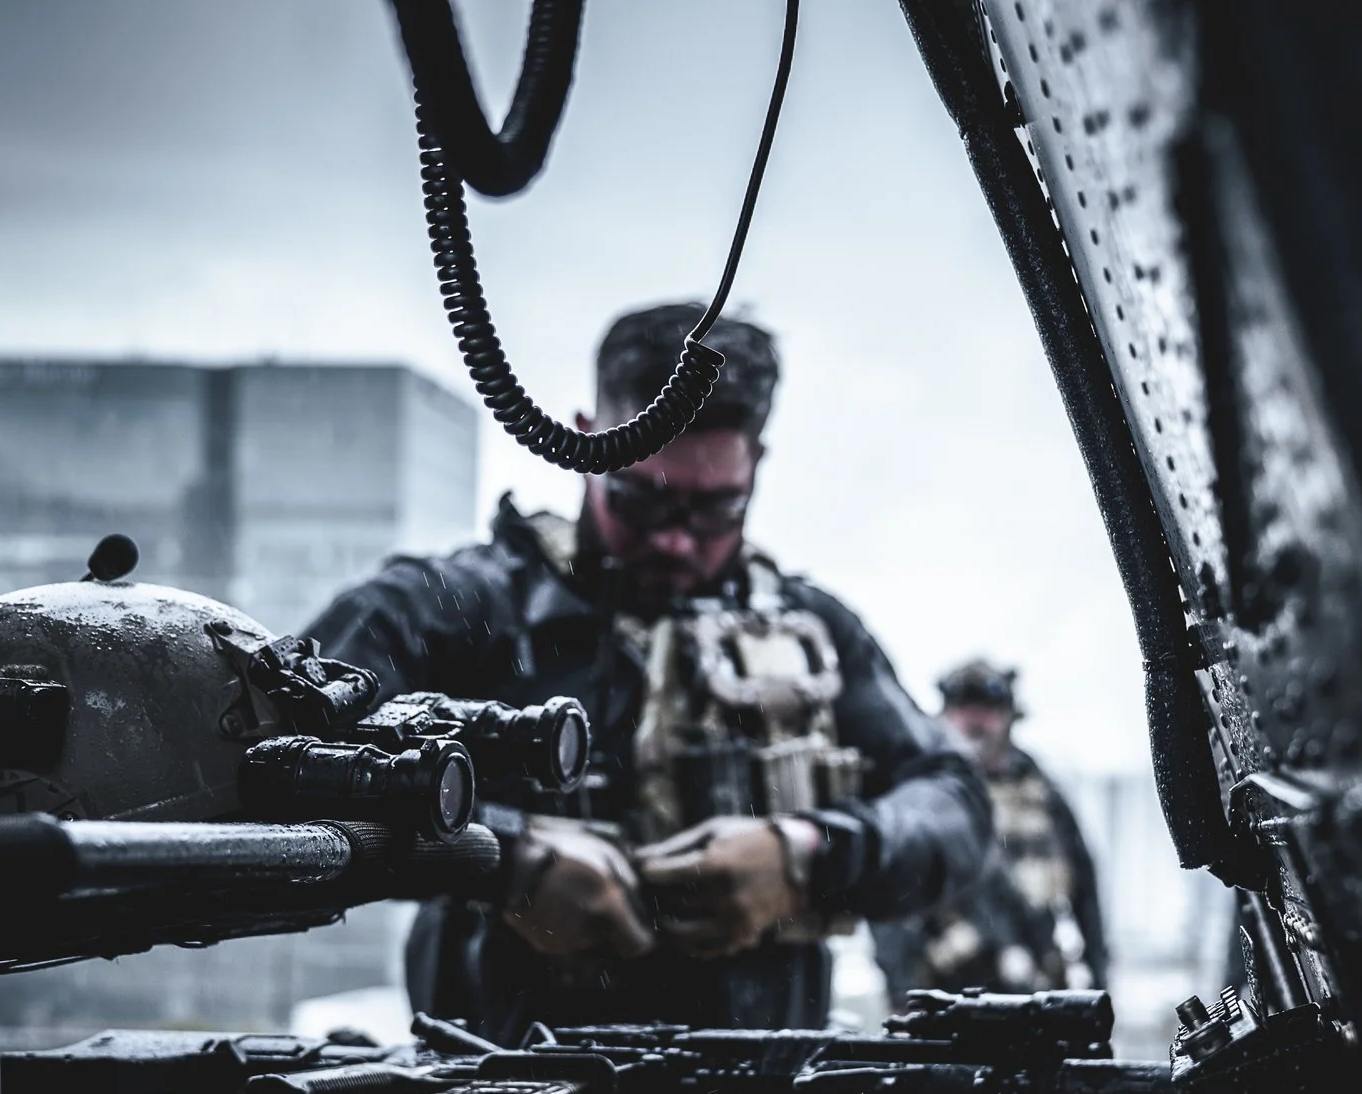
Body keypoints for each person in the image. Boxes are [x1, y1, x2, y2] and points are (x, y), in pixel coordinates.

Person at [302, 303, 990, 1039]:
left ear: (756, 466)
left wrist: (808, 852)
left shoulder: (816, 635)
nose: (673, 542)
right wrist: (498, 858)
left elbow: (954, 805)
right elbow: (279, 756)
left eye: (714, 508)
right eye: (640, 499)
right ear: (584, 438)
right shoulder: (449, 610)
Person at [873, 659, 1109, 998]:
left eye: (986, 709)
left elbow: (1085, 887)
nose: (974, 720)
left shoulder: (1040, 792)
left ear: (1008, 716)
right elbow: (889, 888)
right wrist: (900, 988)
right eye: (962, 708)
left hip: (1032, 983)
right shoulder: (921, 790)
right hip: (945, 988)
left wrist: (1098, 980)